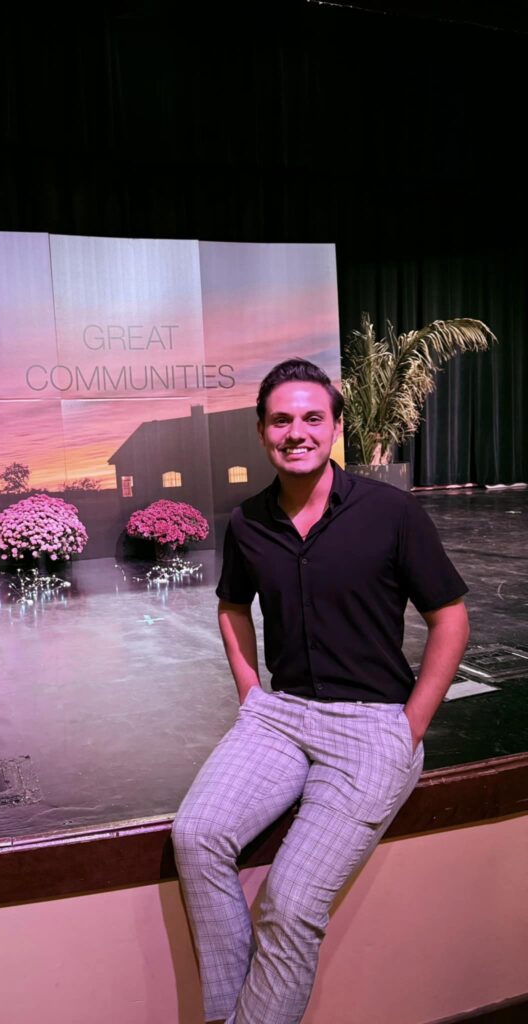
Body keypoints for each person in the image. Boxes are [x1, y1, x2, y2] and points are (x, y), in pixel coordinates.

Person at [172, 358, 470, 1024]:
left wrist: (410, 724)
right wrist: (251, 692)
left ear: (336, 426)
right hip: (280, 718)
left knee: (290, 904)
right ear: (262, 432)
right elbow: (231, 607)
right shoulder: (247, 522)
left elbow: (450, 619)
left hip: (373, 728)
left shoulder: (390, 512)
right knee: (196, 835)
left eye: (312, 418)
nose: (296, 431)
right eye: (282, 420)